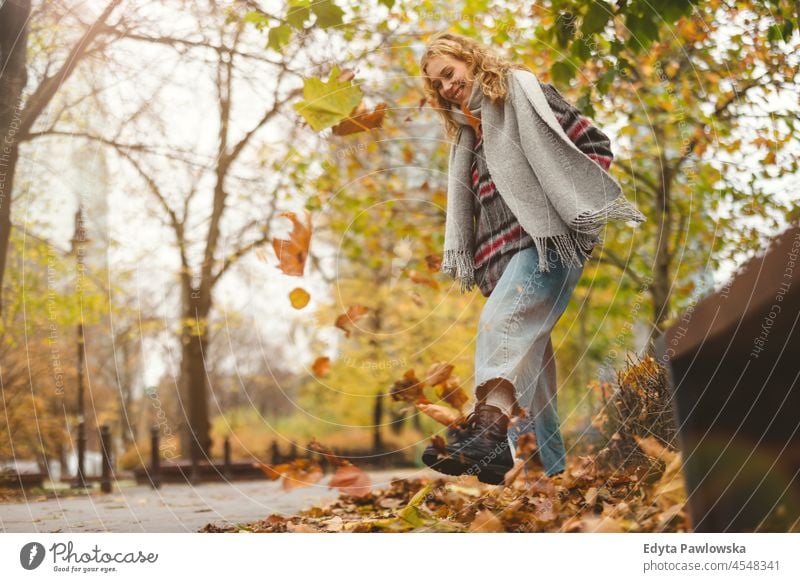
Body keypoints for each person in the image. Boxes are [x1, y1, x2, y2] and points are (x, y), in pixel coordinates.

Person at [418, 31, 645, 485]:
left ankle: (488, 440)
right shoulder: (468, 138)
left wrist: (568, 204)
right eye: (437, 83)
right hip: (503, 264)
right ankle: (557, 472)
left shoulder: (524, 94)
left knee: (498, 330)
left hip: (546, 245)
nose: (447, 86)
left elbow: (596, 146)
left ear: (470, 59)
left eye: (450, 73)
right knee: (534, 373)